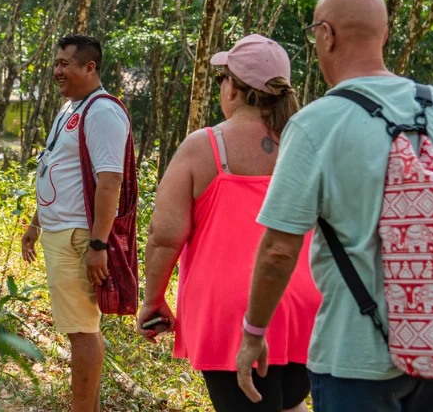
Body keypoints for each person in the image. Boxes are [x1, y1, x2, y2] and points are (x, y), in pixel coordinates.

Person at [235, 0, 433, 412]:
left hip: (353, 357)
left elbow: (278, 251)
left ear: (326, 35)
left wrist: (254, 333)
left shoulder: (316, 124)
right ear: (383, 34)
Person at [137, 34, 320, 412]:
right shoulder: (306, 145)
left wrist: (153, 300)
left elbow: (165, 236)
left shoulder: (203, 147)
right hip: (306, 304)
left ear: (233, 88)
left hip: (235, 312)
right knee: (289, 404)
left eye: (222, 78)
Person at [21, 34, 130, 412]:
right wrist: (35, 224)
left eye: (65, 64)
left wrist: (98, 244)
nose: (57, 70)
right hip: (58, 232)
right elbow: (58, 168)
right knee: (80, 329)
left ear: (90, 67)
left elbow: (110, 181)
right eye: (55, 63)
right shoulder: (71, 108)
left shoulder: (102, 112)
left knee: (82, 331)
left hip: (79, 236)